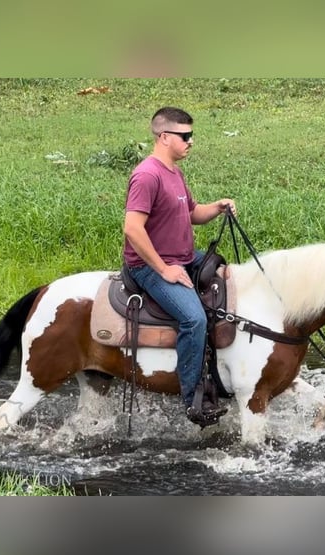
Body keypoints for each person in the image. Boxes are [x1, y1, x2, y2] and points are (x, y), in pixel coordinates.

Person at [122, 106, 236, 426]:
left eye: (191, 135)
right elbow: (132, 228)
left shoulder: (173, 171)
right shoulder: (147, 175)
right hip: (150, 267)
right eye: (185, 136)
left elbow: (192, 213)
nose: (191, 142)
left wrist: (217, 207)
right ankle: (193, 398)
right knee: (194, 318)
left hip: (184, 258)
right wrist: (163, 270)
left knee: (227, 273)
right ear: (164, 137)